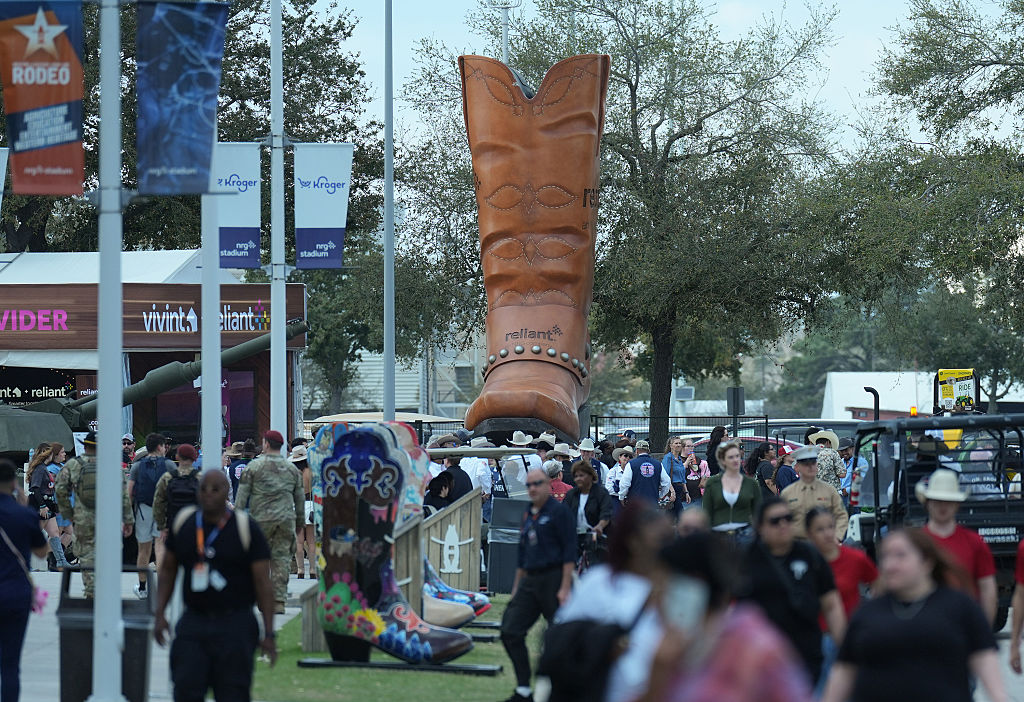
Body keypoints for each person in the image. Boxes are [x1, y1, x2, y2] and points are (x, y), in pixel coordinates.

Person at [822, 529, 1007, 702]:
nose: (890, 565)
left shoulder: (959, 607)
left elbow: (984, 659)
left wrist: (998, 697)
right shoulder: (867, 613)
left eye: (900, 556)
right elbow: (844, 670)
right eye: (885, 557)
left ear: (927, 562)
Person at [643, 532, 814, 702]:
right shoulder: (674, 652)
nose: (656, 603)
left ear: (691, 588)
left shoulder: (755, 650)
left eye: (663, 590)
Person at [155, 470, 278, 702]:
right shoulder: (186, 524)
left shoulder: (246, 528)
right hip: (195, 622)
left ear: (226, 492)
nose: (209, 494)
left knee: (233, 692)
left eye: (216, 489)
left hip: (236, 624)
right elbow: (168, 570)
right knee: (185, 689)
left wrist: (269, 632)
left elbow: (263, 582)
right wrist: (159, 613)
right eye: (203, 489)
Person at [555, 504, 674, 702]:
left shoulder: (676, 589)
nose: (666, 547)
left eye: (669, 539)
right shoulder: (601, 583)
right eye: (660, 539)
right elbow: (565, 638)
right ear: (633, 542)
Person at [740, 497, 845, 685]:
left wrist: (844, 650)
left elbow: (831, 604)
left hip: (806, 655)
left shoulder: (809, 554)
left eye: (788, 518)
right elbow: (737, 612)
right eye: (775, 521)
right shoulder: (747, 560)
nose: (783, 524)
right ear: (760, 527)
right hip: (763, 662)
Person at [500, 468, 575, 702]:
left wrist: (564, 587)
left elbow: (569, 552)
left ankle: (561, 691)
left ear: (548, 485)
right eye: (529, 485)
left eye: (537, 484)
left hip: (554, 578)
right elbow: (522, 555)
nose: (532, 488)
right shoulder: (528, 513)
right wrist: (516, 588)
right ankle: (523, 689)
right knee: (510, 630)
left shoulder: (559, 512)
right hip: (530, 580)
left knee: (558, 639)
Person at [806, 507, 879, 693]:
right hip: (815, 639)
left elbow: (880, 585)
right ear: (809, 534)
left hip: (849, 636)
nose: (828, 534)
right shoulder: (804, 562)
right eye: (820, 529)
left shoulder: (855, 558)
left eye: (830, 527)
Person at [54, 431, 134, 598]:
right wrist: (128, 519)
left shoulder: (74, 465)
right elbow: (124, 495)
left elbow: (60, 490)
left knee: (87, 554)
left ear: (85, 446)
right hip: (108, 518)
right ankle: (107, 588)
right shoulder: (112, 465)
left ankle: (91, 589)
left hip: (83, 518)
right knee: (109, 553)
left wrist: (68, 513)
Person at [234, 430, 304, 614]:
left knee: (259, 560)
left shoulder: (254, 467)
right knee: (281, 560)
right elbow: (299, 499)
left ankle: (262, 598)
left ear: (265, 444)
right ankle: (279, 601)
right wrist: (300, 524)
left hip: (260, 522)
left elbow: (241, 498)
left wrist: (236, 521)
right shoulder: (292, 469)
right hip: (285, 520)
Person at [917, 468, 997, 626]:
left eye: (948, 501)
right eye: (937, 500)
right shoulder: (915, 543)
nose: (943, 506)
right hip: (923, 629)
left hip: (964, 627)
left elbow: (988, 589)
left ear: (957, 505)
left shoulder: (975, 542)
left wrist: (983, 632)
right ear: (928, 503)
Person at [0, 457, 48, 702]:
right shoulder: (23, 515)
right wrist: (23, 505)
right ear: (14, 484)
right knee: (9, 665)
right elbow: (42, 552)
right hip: (15, 593)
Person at [128, 433, 176, 599]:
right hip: (163, 509)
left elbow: (129, 493)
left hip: (143, 510)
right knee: (160, 547)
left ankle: (142, 587)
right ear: (159, 447)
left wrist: (127, 516)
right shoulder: (170, 465)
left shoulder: (136, 466)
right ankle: (162, 588)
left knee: (143, 550)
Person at [780, 445, 848, 542]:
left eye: (813, 463)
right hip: (798, 544)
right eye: (806, 464)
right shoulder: (788, 493)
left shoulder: (829, 491)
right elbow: (782, 521)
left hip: (824, 543)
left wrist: (837, 537)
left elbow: (841, 515)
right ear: (798, 467)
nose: (810, 467)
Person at [702, 441, 760, 541]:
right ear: (723, 460)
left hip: (746, 534)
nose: (735, 460)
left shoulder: (751, 483)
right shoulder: (713, 483)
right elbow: (707, 511)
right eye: (731, 457)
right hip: (719, 536)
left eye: (737, 456)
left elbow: (758, 511)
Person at [27, 443, 71, 569]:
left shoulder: (43, 468)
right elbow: (35, 488)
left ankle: (61, 561)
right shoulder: (40, 469)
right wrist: (42, 505)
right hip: (40, 505)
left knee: (55, 533)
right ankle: (24, 562)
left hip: (48, 504)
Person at [563, 460, 614, 562]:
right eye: (576, 476)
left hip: (596, 536)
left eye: (581, 475)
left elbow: (606, 513)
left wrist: (600, 526)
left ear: (591, 476)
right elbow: (563, 514)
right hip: (575, 536)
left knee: (595, 561)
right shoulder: (571, 495)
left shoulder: (601, 493)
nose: (578, 479)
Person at [153, 443, 201, 534]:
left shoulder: (167, 477)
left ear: (177, 457)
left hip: (173, 524)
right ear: (194, 458)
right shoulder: (200, 477)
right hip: (194, 524)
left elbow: (158, 502)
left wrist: (162, 525)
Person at [617, 440, 673, 507]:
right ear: (648, 450)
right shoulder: (658, 464)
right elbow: (666, 482)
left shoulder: (631, 464)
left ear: (637, 450)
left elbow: (624, 484)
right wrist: (660, 495)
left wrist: (621, 497)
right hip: (652, 503)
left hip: (635, 503)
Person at [288, 445, 315, 579]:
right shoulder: (311, 471)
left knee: (298, 541)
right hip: (310, 504)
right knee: (311, 541)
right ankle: (312, 569)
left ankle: (300, 570)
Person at [662, 436, 691, 519]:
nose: (678, 445)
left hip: (679, 489)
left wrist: (686, 492)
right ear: (671, 445)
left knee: (670, 515)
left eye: (679, 443)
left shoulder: (679, 459)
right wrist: (672, 491)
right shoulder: (668, 458)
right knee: (680, 514)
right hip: (672, 489)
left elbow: (682, 478)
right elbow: (665, 476)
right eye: (676, 443)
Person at [838, 437, 867, 508]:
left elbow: (863, 481)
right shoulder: (841, 462)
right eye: (842, 451)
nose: (844, 453)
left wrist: (847, 490)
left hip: (853, 497)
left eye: (846, 450)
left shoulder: (861, 462)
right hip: (841, 497)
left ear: (852, 449)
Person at [681, 438, 709, 509]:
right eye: (688, 446)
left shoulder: (698, 460)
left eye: (692, 446)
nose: (691, 448)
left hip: (697, 496)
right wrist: (687, 462)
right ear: (682, 447)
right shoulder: (678, 460)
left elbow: (704, 474)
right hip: (684, 497)